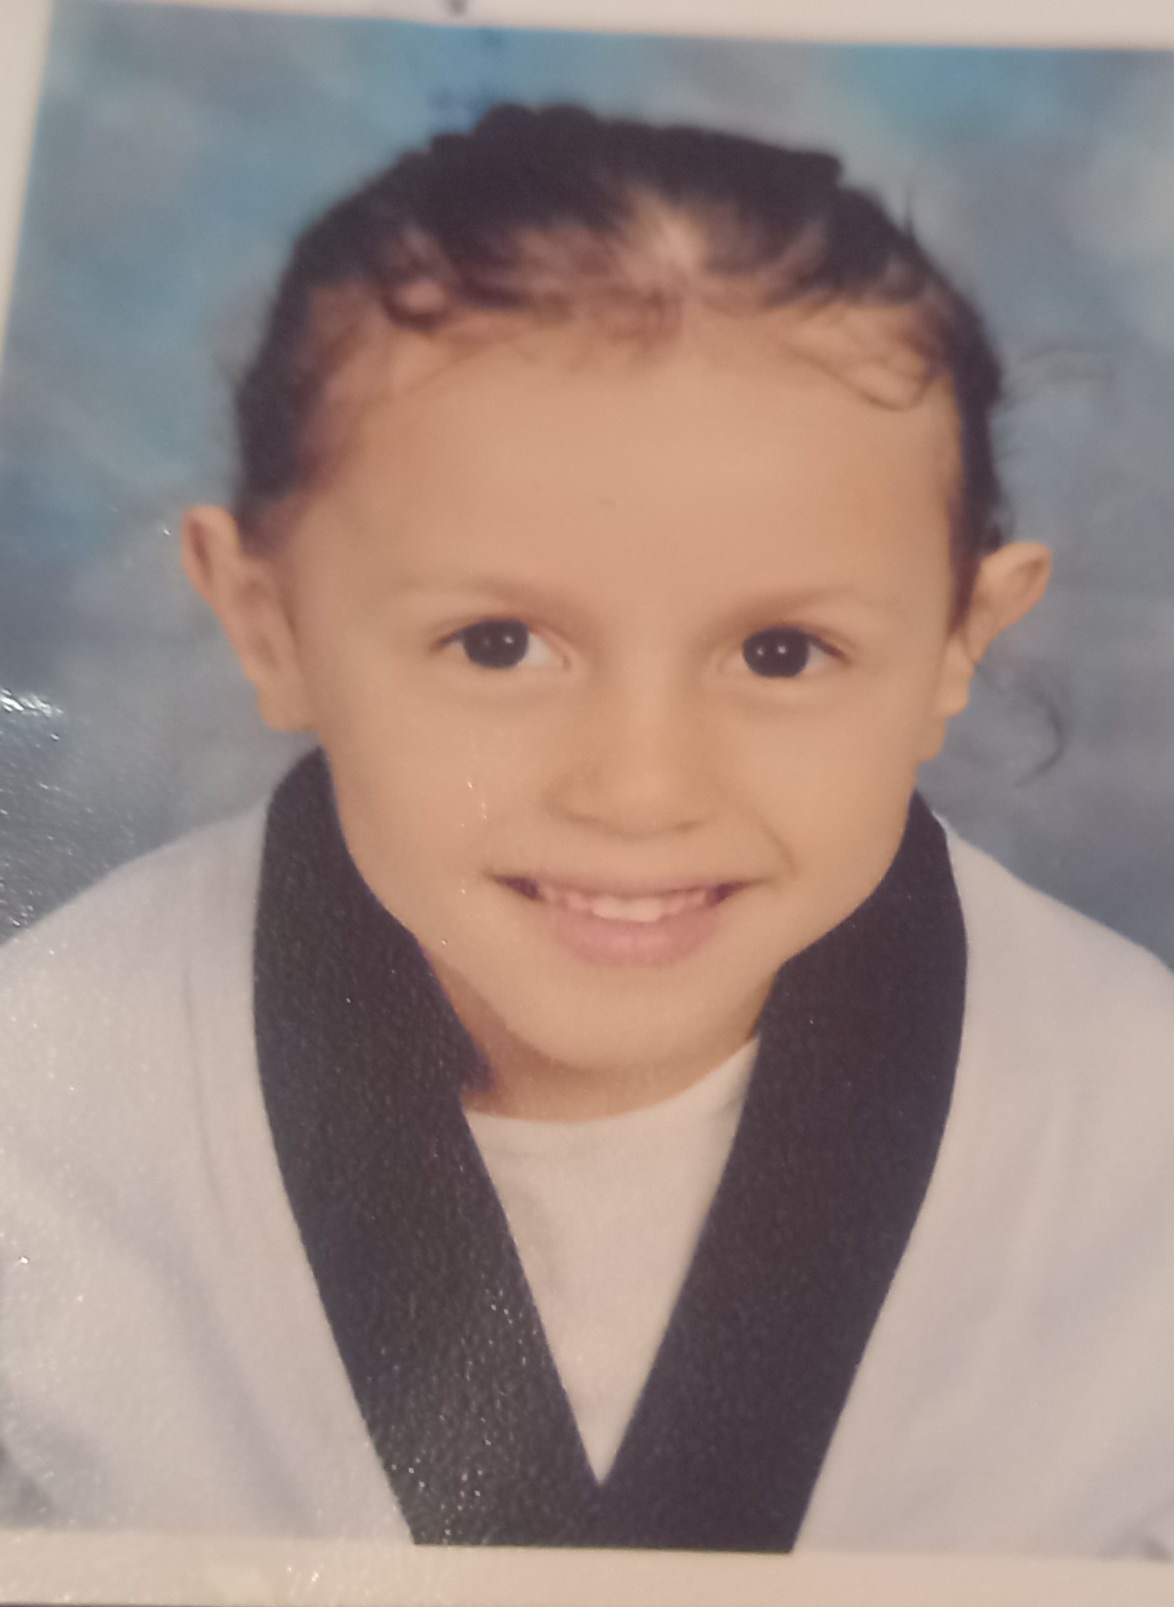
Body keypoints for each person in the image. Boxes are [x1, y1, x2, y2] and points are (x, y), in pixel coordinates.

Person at [1, 103, 1173, 1556]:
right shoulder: (48, 1101)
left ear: (959, 640)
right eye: (497, 644)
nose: (640, 787)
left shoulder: (1130, 1126)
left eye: (781, 654)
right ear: (268, 621)